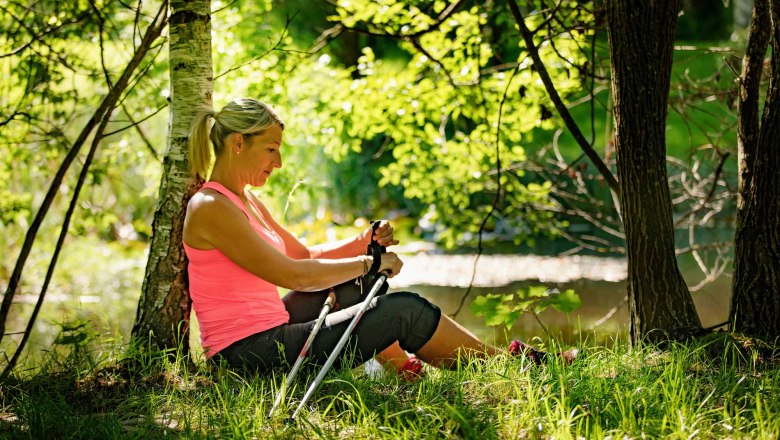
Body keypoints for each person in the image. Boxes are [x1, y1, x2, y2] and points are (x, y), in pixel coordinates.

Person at [182, 98, 575, 378]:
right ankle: (511, 365)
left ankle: (405, 372)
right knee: (405, 308)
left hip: (273, 330)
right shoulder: (210, 207)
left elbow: (303, 255)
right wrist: (370, 262)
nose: (279, 162)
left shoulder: (246, 201)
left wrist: (361, 243)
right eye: (271, 149)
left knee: (356, 282)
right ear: (238, 144)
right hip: (247, 356)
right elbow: (296, 276)